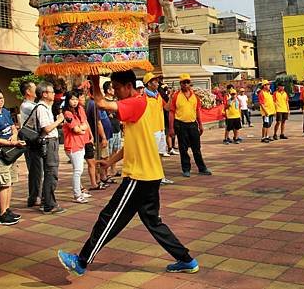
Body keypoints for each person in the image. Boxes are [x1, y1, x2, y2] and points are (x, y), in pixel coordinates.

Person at [58, 71, 199, 276]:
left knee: (110, 217)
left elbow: (101, 103)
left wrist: (96, 81)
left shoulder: (136, 102)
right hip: (150, 174)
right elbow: (132, 143)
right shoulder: (146, 102)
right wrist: (109, 161)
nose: (114, 92)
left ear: (128, 86)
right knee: (153, 222)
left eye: (116, 87)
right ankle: (187, 260)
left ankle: (81, 261)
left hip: (139, 177)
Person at [0, 88, 25, 225]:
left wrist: (14, 136)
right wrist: (12, 142)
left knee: (10, 182)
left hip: (10, 154)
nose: (0, 100)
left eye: (1, 98)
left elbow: (14, 127)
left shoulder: (6, 112)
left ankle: (7, 209)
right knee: (4, 184)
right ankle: (1, 214)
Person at [168, 74, 211, 177]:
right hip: (180, 124)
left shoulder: (195, 97)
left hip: (192, 124)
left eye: (187, 82)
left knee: (197, 148)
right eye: (184, 82)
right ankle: (186, 169)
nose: (186, 84)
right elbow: (171, 112)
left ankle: (202, 168)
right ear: (180, 84)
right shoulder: (176, 96)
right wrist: (171, 128)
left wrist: (200, 124)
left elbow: (198, 111)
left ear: (190, 83)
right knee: (183, 149)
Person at [35, 82, 66, 214]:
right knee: (51, 173)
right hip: (48, 142)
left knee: (50, 172)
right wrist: (59, 120)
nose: (54, 94)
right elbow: (46, 128)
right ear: (44, 94)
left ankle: (45, 200)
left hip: (51, 141)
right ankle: (49, 204)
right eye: (51, 92)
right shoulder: (41, 108)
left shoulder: (47, 107)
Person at [142, 73, 174, 185]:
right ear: (148, 84)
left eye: (157, 81)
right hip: (151, 130)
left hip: (160, 130)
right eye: (154, 81)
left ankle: (160, 176)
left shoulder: (158, 95)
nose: (157, 83)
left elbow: (167, 108)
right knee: (151, 155)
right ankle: (152, 177)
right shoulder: (143, 97)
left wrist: (170, 98)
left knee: (160, 154)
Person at [63, 90, 94, 203]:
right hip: (72, 145)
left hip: (80, 143)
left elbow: (85, 124)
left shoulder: (79, 110)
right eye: (72, 99)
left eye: (76, 99)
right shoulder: (67, 113)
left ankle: (80, 191)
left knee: (78, 169)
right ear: (68, 100)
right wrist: (81, 128)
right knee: (78, 170)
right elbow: (76, 130)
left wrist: (82, 128)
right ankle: (77, 194)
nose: (75, 102)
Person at [19, 80, 43, 209]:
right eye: (35, 88)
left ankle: (36, 196)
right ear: (28, 91)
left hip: (35, 141)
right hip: (31, 142)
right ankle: (34, 197)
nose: (38, 89)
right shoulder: (27, 106)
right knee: (35, 170)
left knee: (38, 170)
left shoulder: (33, 104)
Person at [103, 81, 122, 177]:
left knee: (115, 150)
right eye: (112, 88)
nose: (114, 90)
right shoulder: (104, 102)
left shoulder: (115, 101)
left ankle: (113, 169)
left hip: (117, 127)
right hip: (109, 130)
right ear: (107, 90)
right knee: (109, 151)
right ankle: (106, 171)